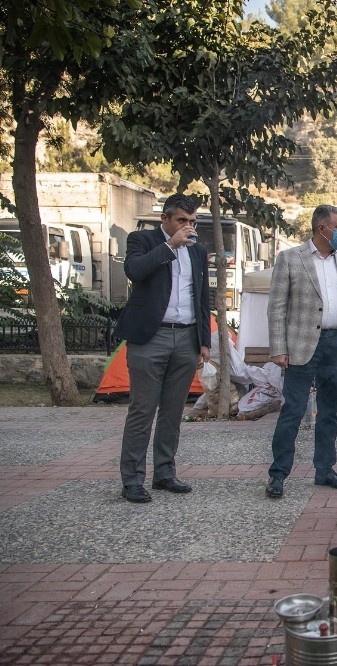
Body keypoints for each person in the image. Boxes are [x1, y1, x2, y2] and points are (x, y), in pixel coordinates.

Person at [116, 193, 211, 503]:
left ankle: (165, 473)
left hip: (186, 338)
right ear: (165, 219)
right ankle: (132, 480)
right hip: (150, 337)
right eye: (182, 220)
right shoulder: (141, 240)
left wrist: (204, 341)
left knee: (173, 412)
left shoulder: (197, 251)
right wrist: (170, 245)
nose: (188, 227)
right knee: (142, 410)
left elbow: (202, 296)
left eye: (192, 221)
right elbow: (135, 270)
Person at [264, 205, 337, 499]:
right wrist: (278, 348)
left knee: (330, 412)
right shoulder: (290, 259)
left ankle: (325, 470)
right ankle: (278, 474)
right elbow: (277, 306)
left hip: (336, 345)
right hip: (301, 346)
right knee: (292, 411)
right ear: (322, 228)